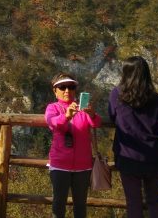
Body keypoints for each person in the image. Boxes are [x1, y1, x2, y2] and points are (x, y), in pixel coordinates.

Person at [108, 56, 158, 218]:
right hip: (153, 158)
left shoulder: (116, 95)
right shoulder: (157, 100)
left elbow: (113, 117)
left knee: (133, 203)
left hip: (127, 156)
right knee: (155, 202)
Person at [45, 72, 101, 218]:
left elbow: (96, 123)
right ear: (55, 91)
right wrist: (67, 116)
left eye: (70, 87)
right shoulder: (53, 108)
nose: (67, 91)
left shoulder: (82, 108)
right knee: (58, 205)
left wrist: (92, 114)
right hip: (60, 165)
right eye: (62, 87)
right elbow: (53, 123)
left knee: (81, 206)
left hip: (83, 165)